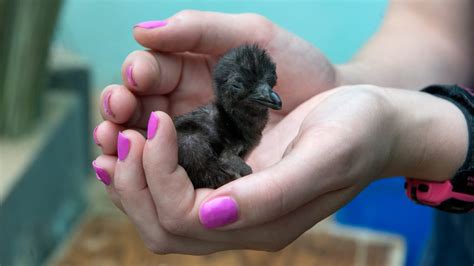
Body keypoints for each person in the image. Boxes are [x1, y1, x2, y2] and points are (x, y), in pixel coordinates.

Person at [91, 0, 473, 262]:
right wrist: (344, 85)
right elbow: (436, 30)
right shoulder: (213, 125)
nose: (270, 94)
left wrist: (413, 132)